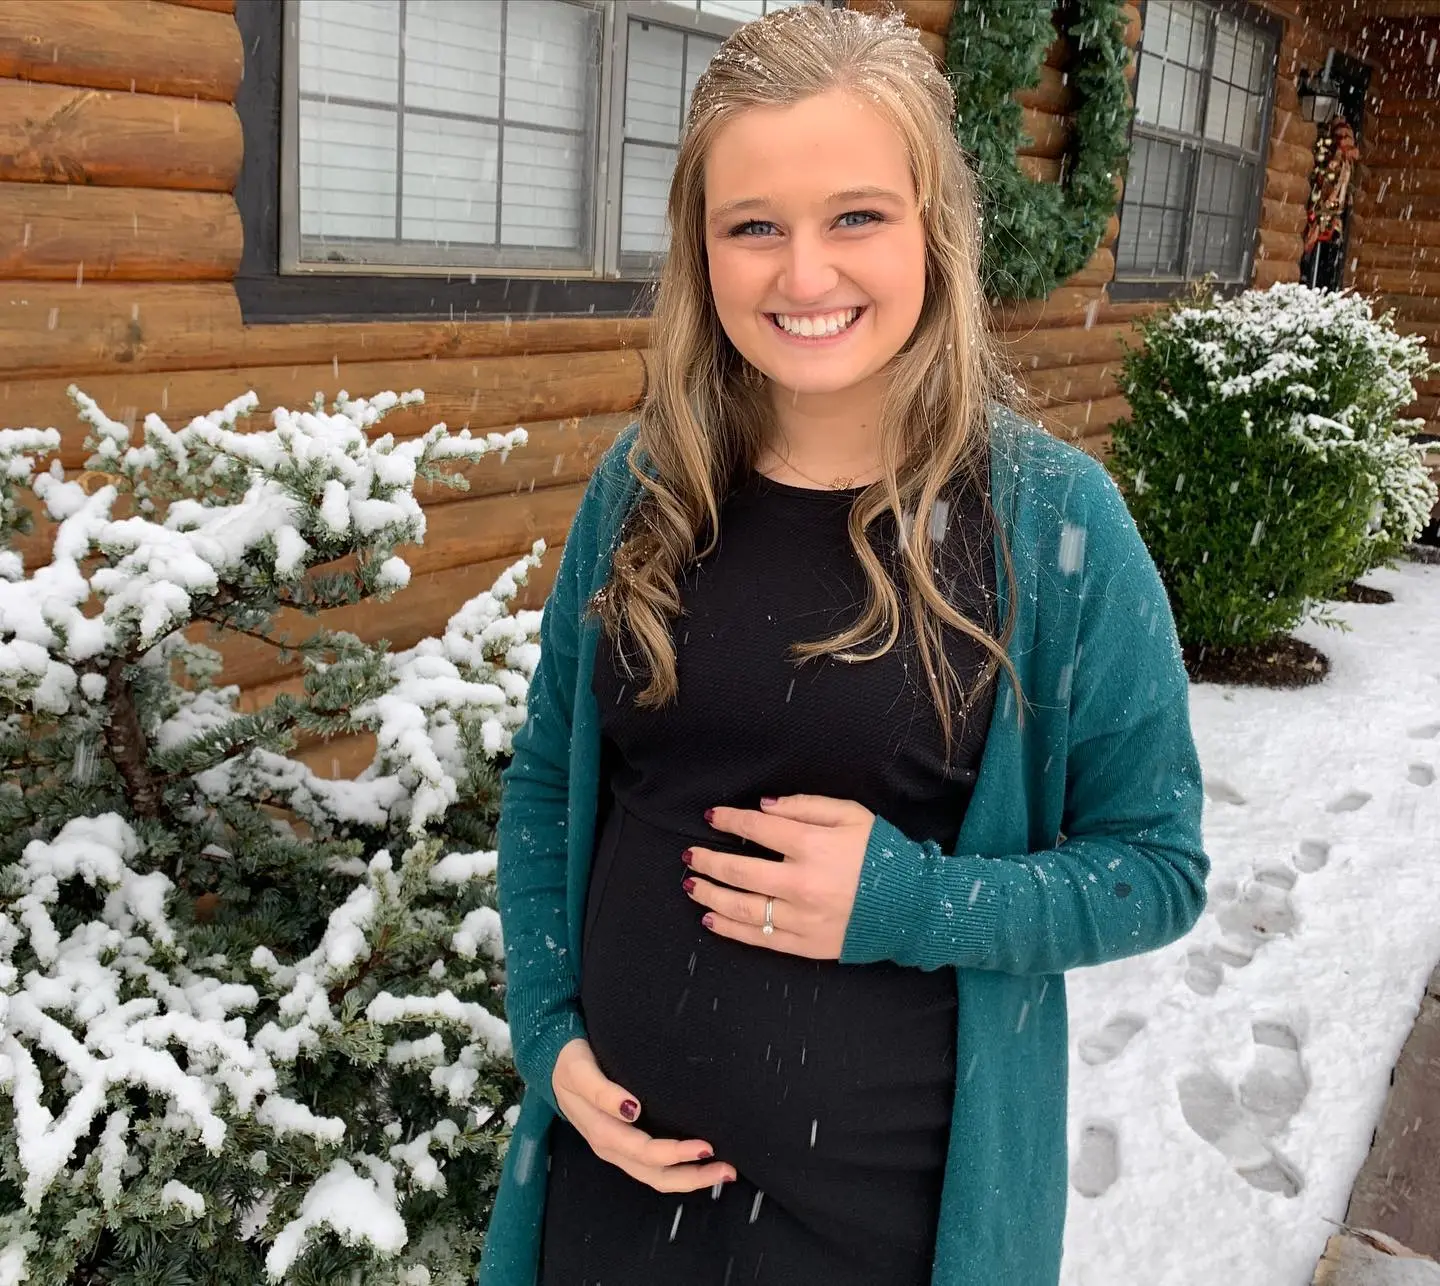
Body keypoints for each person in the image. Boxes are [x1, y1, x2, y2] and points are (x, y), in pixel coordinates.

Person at [479, 6, 1208, 1285]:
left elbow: (1154, 865)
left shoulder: (1049, 523)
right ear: (701, 251)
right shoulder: (646, 489)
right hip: (610, 1201)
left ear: (937, 227)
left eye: (857, 216)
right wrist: (552, 1037)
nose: (803, 275)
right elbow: (548, 782)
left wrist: (908, 901)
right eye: (754, 225)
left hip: (879, 1228)